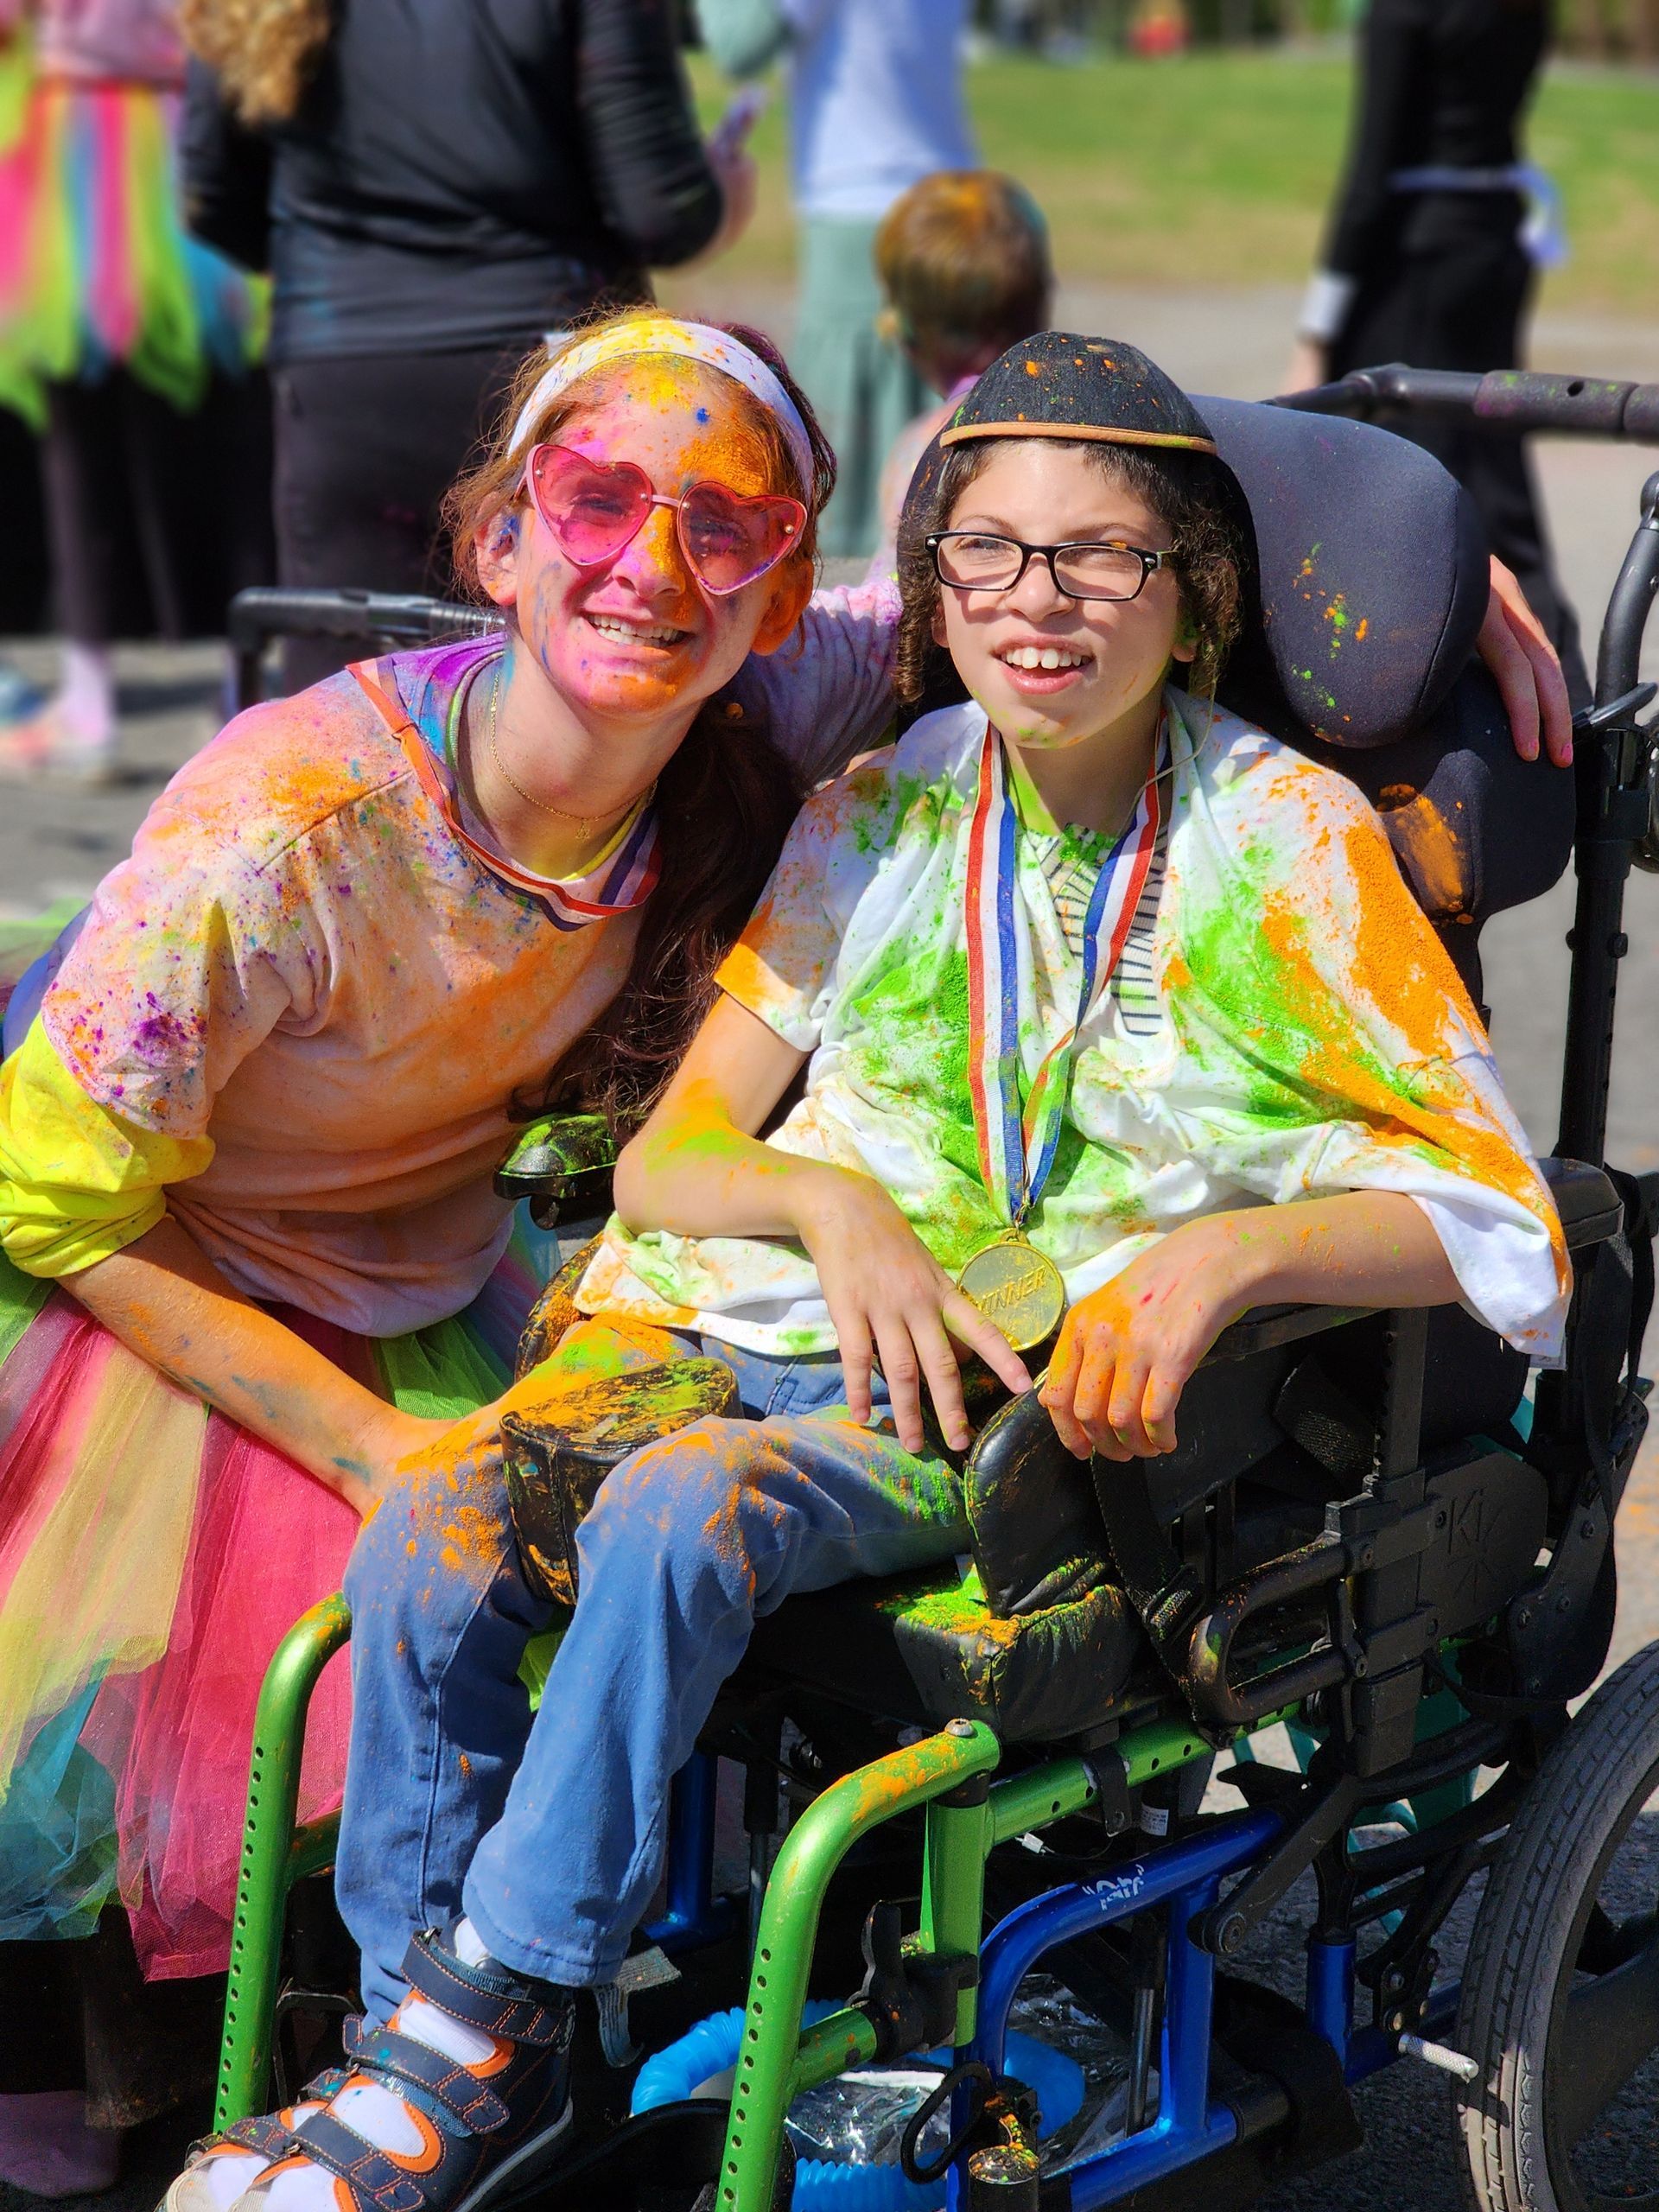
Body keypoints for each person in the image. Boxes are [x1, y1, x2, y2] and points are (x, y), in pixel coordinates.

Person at [159, 333, 1569, 2212]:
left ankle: (479, 2018)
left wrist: (1229, 1254)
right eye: (987, 553)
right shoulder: (888, 799)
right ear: (934, 584)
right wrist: (838, 1209)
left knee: (678, 1515)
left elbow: (1500, 1217)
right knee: (428, 1528)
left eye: (1102, 557)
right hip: (752, 1314)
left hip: (997, 1398)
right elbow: (676, 1149)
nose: (1036, 602)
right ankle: (424, 2042)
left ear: (1197, 593)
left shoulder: (1288, 838)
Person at [0, 309, 897, 2193]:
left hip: (418, 1268)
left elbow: (1039, 562)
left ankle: (407, 2054)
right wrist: (349, 1441)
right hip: (131, 1265)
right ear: (498, 538)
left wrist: (1420, 577)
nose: (652, 563)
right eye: (595, 500)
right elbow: (50, 1193)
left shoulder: (758, 692)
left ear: (777, 585)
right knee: (248, 1669)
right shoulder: (286, 822)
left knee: (525, 1577)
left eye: (721, 526)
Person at [179, 0, 756, 688]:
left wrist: (341, 271)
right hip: (545, 377)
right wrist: (722, 197)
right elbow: (662, 210)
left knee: (345, 710)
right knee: (558, 704)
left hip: (348, 377)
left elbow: (212, 193)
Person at [1286, 0, 1589, 704]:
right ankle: (1573, 703)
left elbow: (1368, 178)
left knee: (1405, 494)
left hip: (1416, 265)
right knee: (1496, 481)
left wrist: (1315, 332)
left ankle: (1402, 700)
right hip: (1490, 243)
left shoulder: (1403, 12)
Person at [0, 0, 271, 782]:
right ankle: (231, 691)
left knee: (83, 447)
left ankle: (95, 706)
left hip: (86, 152)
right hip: (167, 135)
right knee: (226, 446)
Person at [697, 0, 978, 560]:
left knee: (849, 502)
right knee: (949, 457)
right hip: (952, 195)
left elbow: (739, 46)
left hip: (860, 203)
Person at [868, 168, 1054, 573]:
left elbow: (895, 591)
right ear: (1041, 302)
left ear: (909, 334)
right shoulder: (1077, 419)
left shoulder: (923, 449)